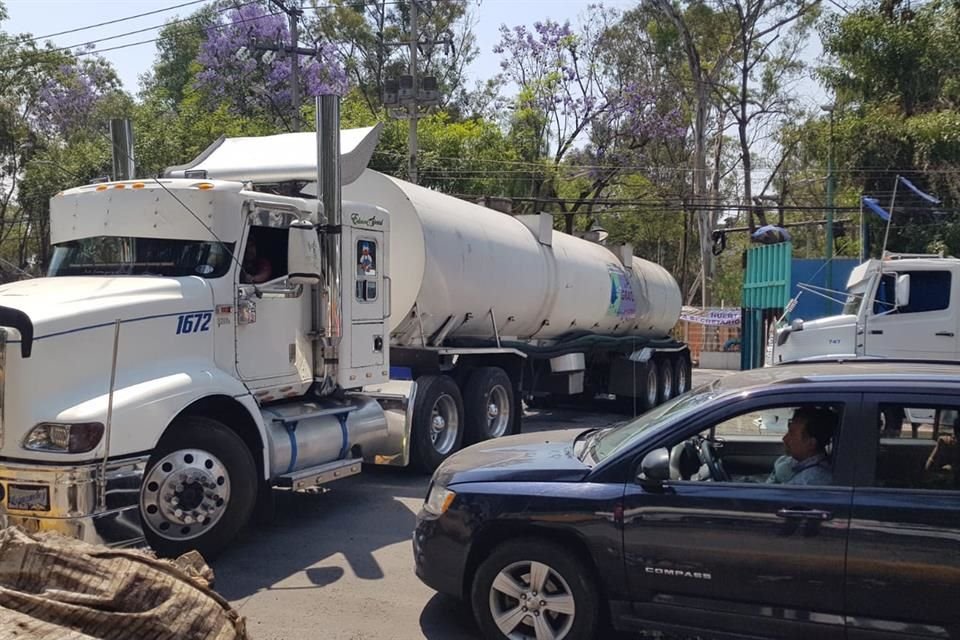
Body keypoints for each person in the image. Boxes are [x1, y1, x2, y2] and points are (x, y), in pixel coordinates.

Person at [766, 406, 837, 486]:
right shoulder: (795, 462)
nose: (785, 438)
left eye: (792, 434)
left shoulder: (810, 480)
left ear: (811, 443)